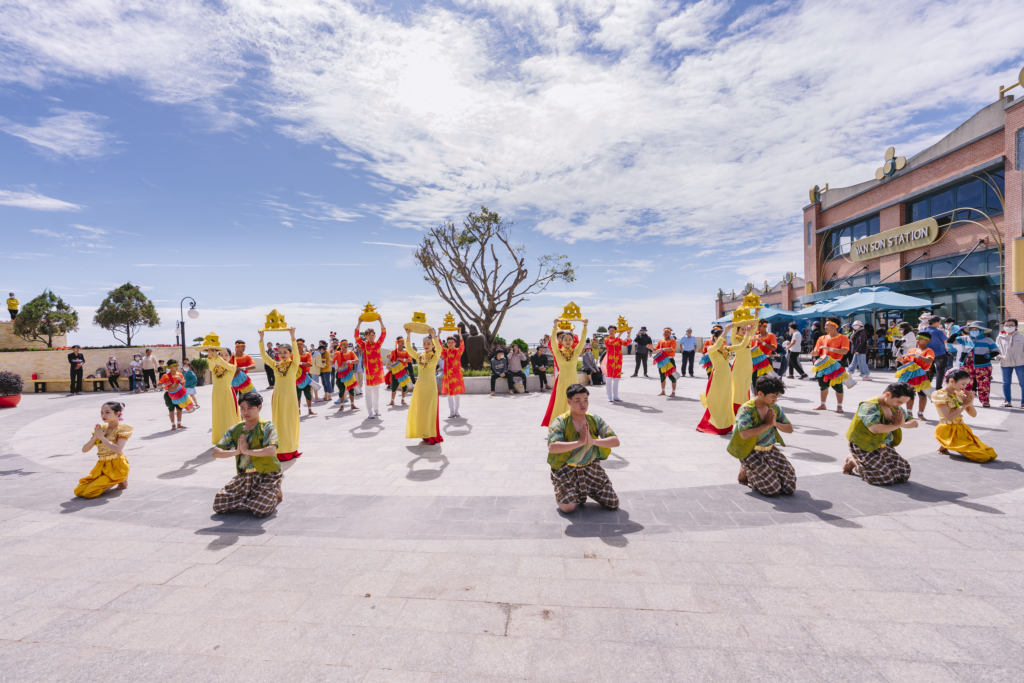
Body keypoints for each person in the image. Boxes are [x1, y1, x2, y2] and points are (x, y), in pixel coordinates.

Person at [546, 383, 620, 513]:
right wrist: (580, 442)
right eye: (578, 401)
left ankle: (584, 491)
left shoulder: (594, 419)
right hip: (566, 470)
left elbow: (615, 441)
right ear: (569, 401)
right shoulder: (560, 421)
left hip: (591, 469)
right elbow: (552, 447)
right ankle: (564, 493)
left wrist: (592, 441)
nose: (583, 404)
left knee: (613, 503)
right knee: (568, 508)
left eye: (585, 400)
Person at [211, 392, 283, 517]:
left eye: (250, 408)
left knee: (261, 510)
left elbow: (271, 451)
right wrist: (236, 452)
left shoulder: (267, 426)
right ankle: (255, 498)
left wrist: (246, 452)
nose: (246, 412)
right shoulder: (234, 429)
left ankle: (272, 489)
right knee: (219, 505)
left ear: (259, 408)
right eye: (243, 408)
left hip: (267, 474)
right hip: (245, 476)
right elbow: (215, 453)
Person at [730, 375, 796, 496]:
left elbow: (789, 429)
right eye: (773, 396)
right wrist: (767, 425)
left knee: (789, 486)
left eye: (777, 397)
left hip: (770, 450)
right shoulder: (747, 409)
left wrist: (775, 423)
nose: (775, 400)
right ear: (760, 393)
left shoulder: (774, 407)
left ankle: (757, 471)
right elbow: (745, 434)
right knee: (772, 489)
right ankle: (746, 469)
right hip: (750, 451)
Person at [844, 383, 919, 485]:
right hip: (864, 445)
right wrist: (896, 425)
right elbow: (874, 428)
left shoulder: (895, 407)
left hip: (883, 444)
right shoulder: (869, 406)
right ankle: (853, 461)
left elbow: (914, 423)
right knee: (884, 479)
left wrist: (902, 424)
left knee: (903, 473)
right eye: (899, 401)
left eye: (902, 403)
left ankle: (867, 464)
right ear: (888, 394)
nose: (899, 405)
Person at [931, 368, 997, 462]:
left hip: (962, 430)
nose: (964, 386)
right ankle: (947, 443)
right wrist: (964, 404)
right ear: (951, 381)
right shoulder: (939, 394)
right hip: (947, 429)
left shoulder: (959, 393)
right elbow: (948, 417)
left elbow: (973, 415)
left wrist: (970, 403)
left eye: (966, 384)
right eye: (963, 384)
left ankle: (946, 445)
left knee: (990, 453)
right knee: (982, 456)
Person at [258, 328, 301, 460]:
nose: (282, 354)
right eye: (280, 352)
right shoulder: (275, 365)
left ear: (290, 353)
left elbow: (297, 354)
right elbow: (264, 356)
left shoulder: (294, 365)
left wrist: (292, 336)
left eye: (285, 352)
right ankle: (280, 448)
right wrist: (261, 339)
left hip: (291, 398)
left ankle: (291, 447)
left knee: (290, 422)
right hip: (278, 397)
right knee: (279, 422)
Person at [74, 402, 132, 498]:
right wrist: (95, 437)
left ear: (117, 413)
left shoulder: (122, 429)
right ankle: (119, 479)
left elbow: (118, 449)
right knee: (78, 492)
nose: (103, 415)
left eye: (107, 412)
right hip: (102, 466)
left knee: (89, 493)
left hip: (117, 465)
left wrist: (102, 438)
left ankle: (119, 478)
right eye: (102, 412)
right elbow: (84, 450)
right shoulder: (101, 428)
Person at [541, 318, 589, 427]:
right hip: (562, 382)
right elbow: (552, 341)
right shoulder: (558, 353)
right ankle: (558, 426)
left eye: (570, 339)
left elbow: (582, 341)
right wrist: (555, 326)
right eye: (565, 339)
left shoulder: (576, 352)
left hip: (574, 382)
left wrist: (585, 326)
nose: (567, 341)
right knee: (560, 403)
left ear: (572, 341)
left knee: (574, 403)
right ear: (561, 341)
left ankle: (574, 425)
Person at [406, 328, 443, 445]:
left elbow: (440, 348)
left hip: (431, 387)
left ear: (433, 345)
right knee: (421, 411)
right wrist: (408, 335)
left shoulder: (435, 355)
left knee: (430, 411)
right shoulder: (419, 356)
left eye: (429, 343)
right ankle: (424, 434)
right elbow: (409, 350)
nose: (426, 345)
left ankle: (431, 435)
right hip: (419, 388)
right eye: (424, 343)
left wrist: (434, 336)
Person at [697, 325, 735, 434]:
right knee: (718, 400)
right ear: (715, 338)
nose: (723, 340)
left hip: (727, 376)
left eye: (724, 337)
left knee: (726, 400)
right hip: (718, 376)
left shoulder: (725, 349)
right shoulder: (711, 348)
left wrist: (748, 333)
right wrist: (726, 330)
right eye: (721, 337)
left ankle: (726, 424)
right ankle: (717, 424)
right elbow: (718, 344)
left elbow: (740, 346)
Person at [811, 317, 852, 413]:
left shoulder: (843, 337)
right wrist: (814, 353)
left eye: (827, 325)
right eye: (825, 325)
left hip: (836, 363)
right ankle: (822, 404)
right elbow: (818, 351)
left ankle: (839, 406)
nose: (825, 327)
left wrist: (830, 349)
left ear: (834, 326)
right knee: (822, 385)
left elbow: (845, 351)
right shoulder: (822, 338)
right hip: (823, 364)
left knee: (838, 385)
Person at [956, 321, 998, 408]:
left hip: (984, 366)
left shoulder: (988, 340)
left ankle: (985, 401)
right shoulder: (964, 338)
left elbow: (996, 351)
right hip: (966, 366)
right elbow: (950, 340)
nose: (974, 331)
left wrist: (989, 355)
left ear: (981, 331)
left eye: (976, 329)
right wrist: (958, 332)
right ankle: (965, 401)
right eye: (972, 329)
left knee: (984, 384)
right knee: (965, 384)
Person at [895, 331, 934, 420]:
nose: (917, 340)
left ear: (927, 341)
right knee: (910, 393)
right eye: (916, 338)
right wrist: (901, 360)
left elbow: (929, 361)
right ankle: (909, 412)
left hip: (924, 373)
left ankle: (920, 413)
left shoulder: (929, 351)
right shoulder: (911, 350)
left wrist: (916, 355)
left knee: (922, 394)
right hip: (911, 374)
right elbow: (908, 362)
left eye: (920, 339)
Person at [208, 348, 242, 446]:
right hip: (216, 395)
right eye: (221, 355)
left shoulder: (231, 367)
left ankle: (232, 438)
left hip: (227, 393)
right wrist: (210, 356)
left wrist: (216, 356)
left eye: (226, 355)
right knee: (218, 416)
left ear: (230, 357)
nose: (223, 357)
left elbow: (223, 363)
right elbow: (211, 364)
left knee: (229, 415)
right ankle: (220, 439)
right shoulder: (214, 368)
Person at [355, 317, 387, 418]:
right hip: (368, 373)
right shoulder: (364, 345)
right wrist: (359, 323)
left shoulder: (378, 344)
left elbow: (384, 334)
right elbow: (356, 336)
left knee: (376, 392)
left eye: (373, 335)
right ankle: (370, 411)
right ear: (367, 336)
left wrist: (380, 321)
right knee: (368, 392)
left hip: (377, 372)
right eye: (370, 335)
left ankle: (376, 409)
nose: (372, 337)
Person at [159, 359, 195, 429]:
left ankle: (179, 424)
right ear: (169, 367)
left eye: (177, 365)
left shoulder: (180, 374)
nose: (176, 367)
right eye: (174, 365)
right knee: (171, 409)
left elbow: (183, 384)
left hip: (180, 394)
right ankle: (173, 425)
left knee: (179, 409)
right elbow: (158, 385)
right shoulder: (165, 376)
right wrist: (164, 384)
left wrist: (181, 380)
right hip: (169, 395)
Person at [997, 318, 1024, 408]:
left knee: (1023, 383)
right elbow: (996, 350)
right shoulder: (1000, 337)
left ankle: (1023, 403)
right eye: (1006, 325)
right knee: (1006, 383)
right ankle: (1007, 401)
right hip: (1005, 363)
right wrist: (998, 357)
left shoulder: (1021, 337)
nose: (1009, 327)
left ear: (1016, 326)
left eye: (1011, 325)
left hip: (1020, 363)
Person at [601, 325, 631, 402]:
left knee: (616, 380)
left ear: (615, 331)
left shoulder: (619, 339)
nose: (611, 332)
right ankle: (609, 396)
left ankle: (616, 396)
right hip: (610, 362)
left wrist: (629, 334)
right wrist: (620, 334)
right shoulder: (606, 339)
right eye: (610, 330)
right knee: (608, 380)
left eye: (613, 331)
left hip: (618, 362)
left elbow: (627, 343)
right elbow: (611, 343)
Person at [730, 321, 755, 409]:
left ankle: (744, 406)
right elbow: (733, 331)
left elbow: (754, 327)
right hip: (738, 365)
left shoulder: (747, 337)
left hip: (748, 364)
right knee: (738, 386)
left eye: (745, 329)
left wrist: (756, 313)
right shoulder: (735, 339)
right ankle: (734, 407)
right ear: (737, 331)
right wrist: (736, 321)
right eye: (742, 329)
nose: (744, 330)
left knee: (746, 385)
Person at [441, 335, 466, 417]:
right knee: (449, 395)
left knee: (457, 395)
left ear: (455, 343)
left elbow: (462, 345)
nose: (451, 344)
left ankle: (456, 411)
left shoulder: (458, 351)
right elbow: (438, 346)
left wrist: (460, 334)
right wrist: (438, 335)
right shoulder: (445, 352)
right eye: (449, 342)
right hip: (448, 377)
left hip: (457, 376)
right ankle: (451, 412)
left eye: (452, 342)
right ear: (447, 344)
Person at [650, 327, 679, 397]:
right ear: (663, 333)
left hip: (670, 360)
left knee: (673, 376)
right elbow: (656, 349)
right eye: (665, 332)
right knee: (662, 376)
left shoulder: (672, 341)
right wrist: (651, 348)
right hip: (662, 360)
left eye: (667, 332)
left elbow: (672, 349)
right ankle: (663, 391)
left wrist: (662, 349)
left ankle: (673, 392)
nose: (666, 333)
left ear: (670, 333)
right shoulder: (660, 341)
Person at [387, 336, 414, 405]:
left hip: (404, 370)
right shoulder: (393, 351)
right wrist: (389, 357)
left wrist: (403, 359)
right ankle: (392, 401)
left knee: (404, 386)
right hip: (396, 370)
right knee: (394, 386)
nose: (403, 342)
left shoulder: (406, 351)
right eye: (401, 341)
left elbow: (410, 360)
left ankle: (403, 400)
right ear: (397, 342)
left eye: (403, 341)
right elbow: (390, 359)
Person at [333, 339, 359, 411]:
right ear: (340, 345)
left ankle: (352, 405)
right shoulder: (337, 353)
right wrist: (331, 360)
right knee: (341, 389)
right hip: (340, 373)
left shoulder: (351, 352)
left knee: (351, 389)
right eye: (344, 344)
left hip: (348, 373)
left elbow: (357, 361)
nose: (346, 345)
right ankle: (342, 406)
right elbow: (330, 363)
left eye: (346, 344)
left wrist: (349, 361)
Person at [924, 316, 949, 386]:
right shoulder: (939, 332)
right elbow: (946, 340)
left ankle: (925, 387)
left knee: (927, 371)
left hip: (926, 355)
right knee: (940, 372)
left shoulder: (922, 330)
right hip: (940, 354)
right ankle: (938, 388)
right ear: (936, 323)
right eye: (939, 322)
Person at [750, 320, 776, 387]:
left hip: (766, 360)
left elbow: (773, 348)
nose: (758, 327)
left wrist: (761, 342)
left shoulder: (771, 335)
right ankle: (757, 396)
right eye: (757, 326)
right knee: (755, 381)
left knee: (767, 382)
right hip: (755, 361)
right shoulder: (754, 337)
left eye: (760, 326)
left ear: (765, 326)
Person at [294, 338, 316, 416]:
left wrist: (300, 363)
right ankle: (298, 410)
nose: (299, 346)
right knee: (297, 394)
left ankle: (310, 410)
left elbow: (310, 364)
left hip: (306, 376)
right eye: (297, 344)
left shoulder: (307, 354)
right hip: (296, 377)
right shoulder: (293, 354)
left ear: (303, 345)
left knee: (308, 394)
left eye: (300, 344)